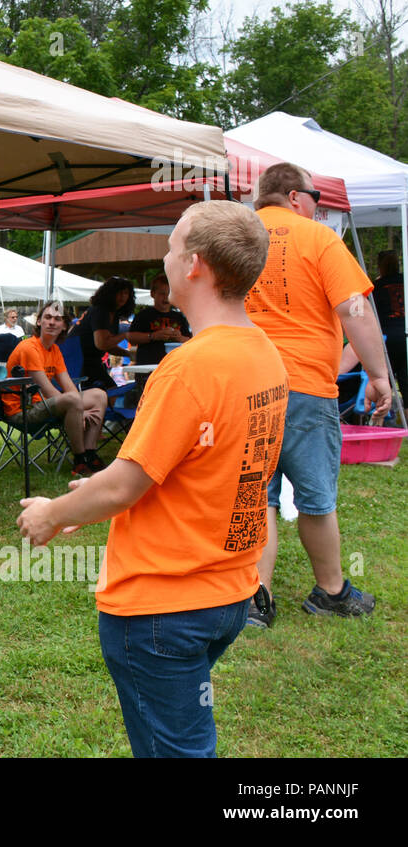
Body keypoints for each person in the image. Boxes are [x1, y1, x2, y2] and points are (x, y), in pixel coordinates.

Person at [18, 201, 286, 757]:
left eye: (170, 245)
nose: (163, 257)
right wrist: (92, 498)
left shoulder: (188, 367)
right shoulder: (266, 354)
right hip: (229, 594)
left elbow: (123, 486)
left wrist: (51, 514)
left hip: (164, 610)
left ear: (194, 266)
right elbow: (197, 468)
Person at [244, 163, 391, 627]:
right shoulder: (317, 238)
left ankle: (256, 600)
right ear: (294, 196)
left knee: (258, 495)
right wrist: (379, 374)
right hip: (304, 387)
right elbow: (355, 310)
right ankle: (330, 590)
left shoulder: (236, 238)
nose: (318, 208)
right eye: (316, 198)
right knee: (315, 497)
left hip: (243, 384)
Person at [2, 300, 109, 475]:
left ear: (64, 325)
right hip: (23, 410)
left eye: (58, 319)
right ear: (39, 322)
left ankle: (90, 454)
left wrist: (78, 405)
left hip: (44, 404)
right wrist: (79, 409)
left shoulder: (54, 350)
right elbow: (46, 389)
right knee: (73, 399)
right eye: (48, 317)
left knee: (99, 395)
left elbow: (68, 385)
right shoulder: (29, 347)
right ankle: (79, 459)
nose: (52, 322)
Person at [127, 274, 192, 397]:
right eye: (162, 293)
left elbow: (190, 341)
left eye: (169, 293)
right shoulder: (143, 315)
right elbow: (131, 338)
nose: (166, 297)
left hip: (175, 371)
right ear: (153, 294)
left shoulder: (179, 317)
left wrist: (179, 338)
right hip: (148, 372)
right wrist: (153, 336)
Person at [72, 277, 136, 390]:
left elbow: (108, 345)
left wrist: (128, 354)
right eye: (119, 292)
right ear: (110, 294)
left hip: (89, 361)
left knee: (110, 391)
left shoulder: (112, 313)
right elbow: (102, 344)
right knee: (109, 391)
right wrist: (125, 335)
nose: (122, 296)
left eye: (125, 293)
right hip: (78, 361)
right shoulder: (101, 311)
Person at [372, 250, 406, 398]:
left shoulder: (376, 286)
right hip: (404, 335)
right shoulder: (405, 280)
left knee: (383, 385)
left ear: (380, 266)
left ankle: (378, 418)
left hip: (386, 339)